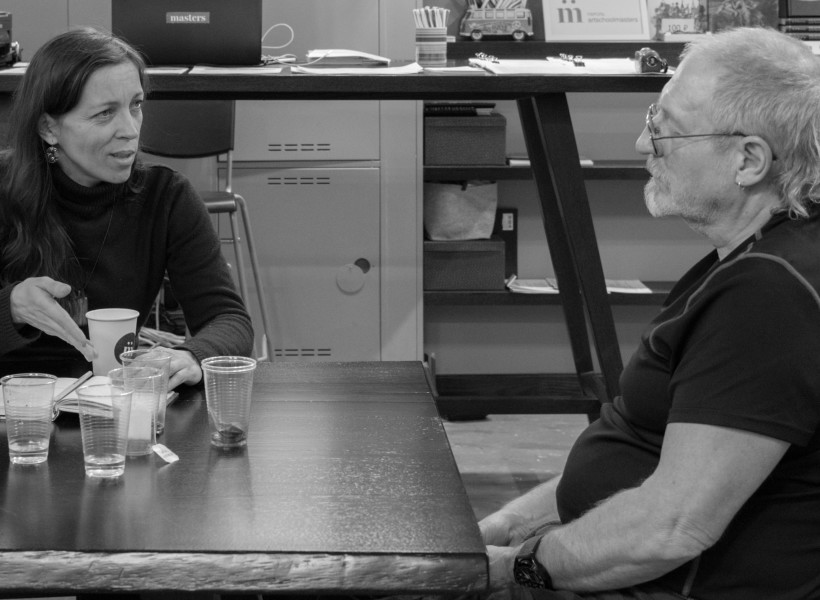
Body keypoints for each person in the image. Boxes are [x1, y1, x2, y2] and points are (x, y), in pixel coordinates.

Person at [481, 27, 820, 600]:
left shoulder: (768, 295)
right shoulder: (757, 257)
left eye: (665, 130)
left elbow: (672, 526)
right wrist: (506, 525)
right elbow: (643, 445)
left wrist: (514, 568)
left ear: (749, 160)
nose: (643, 144)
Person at [0, 28, 254, 390]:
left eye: (135, 105)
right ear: (49, 128)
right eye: (105, 113)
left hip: (112, 401)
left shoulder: (166, 196)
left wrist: (191, 355)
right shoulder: (5, 187)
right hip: (15, 404)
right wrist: (11, 306)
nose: (130, 130)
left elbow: (229, 319)